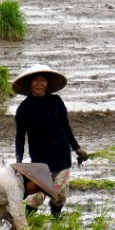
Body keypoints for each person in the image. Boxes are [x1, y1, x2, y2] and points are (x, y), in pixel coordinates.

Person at [13, 64, 87, 217]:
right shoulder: (24, 109)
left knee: (59, 192)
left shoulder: (56, 101)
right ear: (30, 84)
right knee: (37, 194)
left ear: (47, 84)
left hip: (61, 154)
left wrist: (76, 148)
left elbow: (66, 127)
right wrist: (18, 161)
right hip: (40, 159)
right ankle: (26, 222)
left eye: (43, 80)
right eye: (36, 80)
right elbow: (20, 137)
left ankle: (56, 220)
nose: (39, 84)